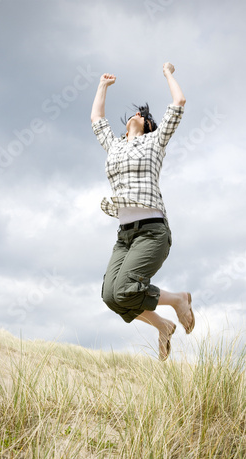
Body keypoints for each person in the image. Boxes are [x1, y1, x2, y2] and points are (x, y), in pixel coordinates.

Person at [91, 62, 194, 361]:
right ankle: (163, 326)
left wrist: (168, 74)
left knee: (125, 289)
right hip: (125, 236)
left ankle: (177, 299)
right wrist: (102, 85)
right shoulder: (115, 147)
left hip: (152, 231)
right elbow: (97, 118)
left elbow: (179, 103)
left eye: (145, 117)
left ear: (149, 127)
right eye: (137, 114)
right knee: (111, 296)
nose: (140, 115)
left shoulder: (154, 142)